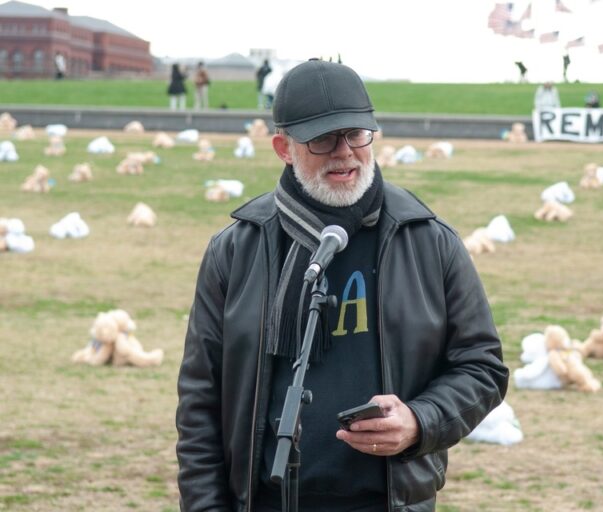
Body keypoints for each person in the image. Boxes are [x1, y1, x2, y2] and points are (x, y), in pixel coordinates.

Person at [175, 59, 509, 511]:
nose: (345, 152)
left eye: (356, 134)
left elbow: (482, 367)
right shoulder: (236, 250)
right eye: (323, 139)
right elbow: (201, 398)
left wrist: (419, 421)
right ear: (283, 147)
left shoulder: (429, 242)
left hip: (386, 503)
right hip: (265, 502)